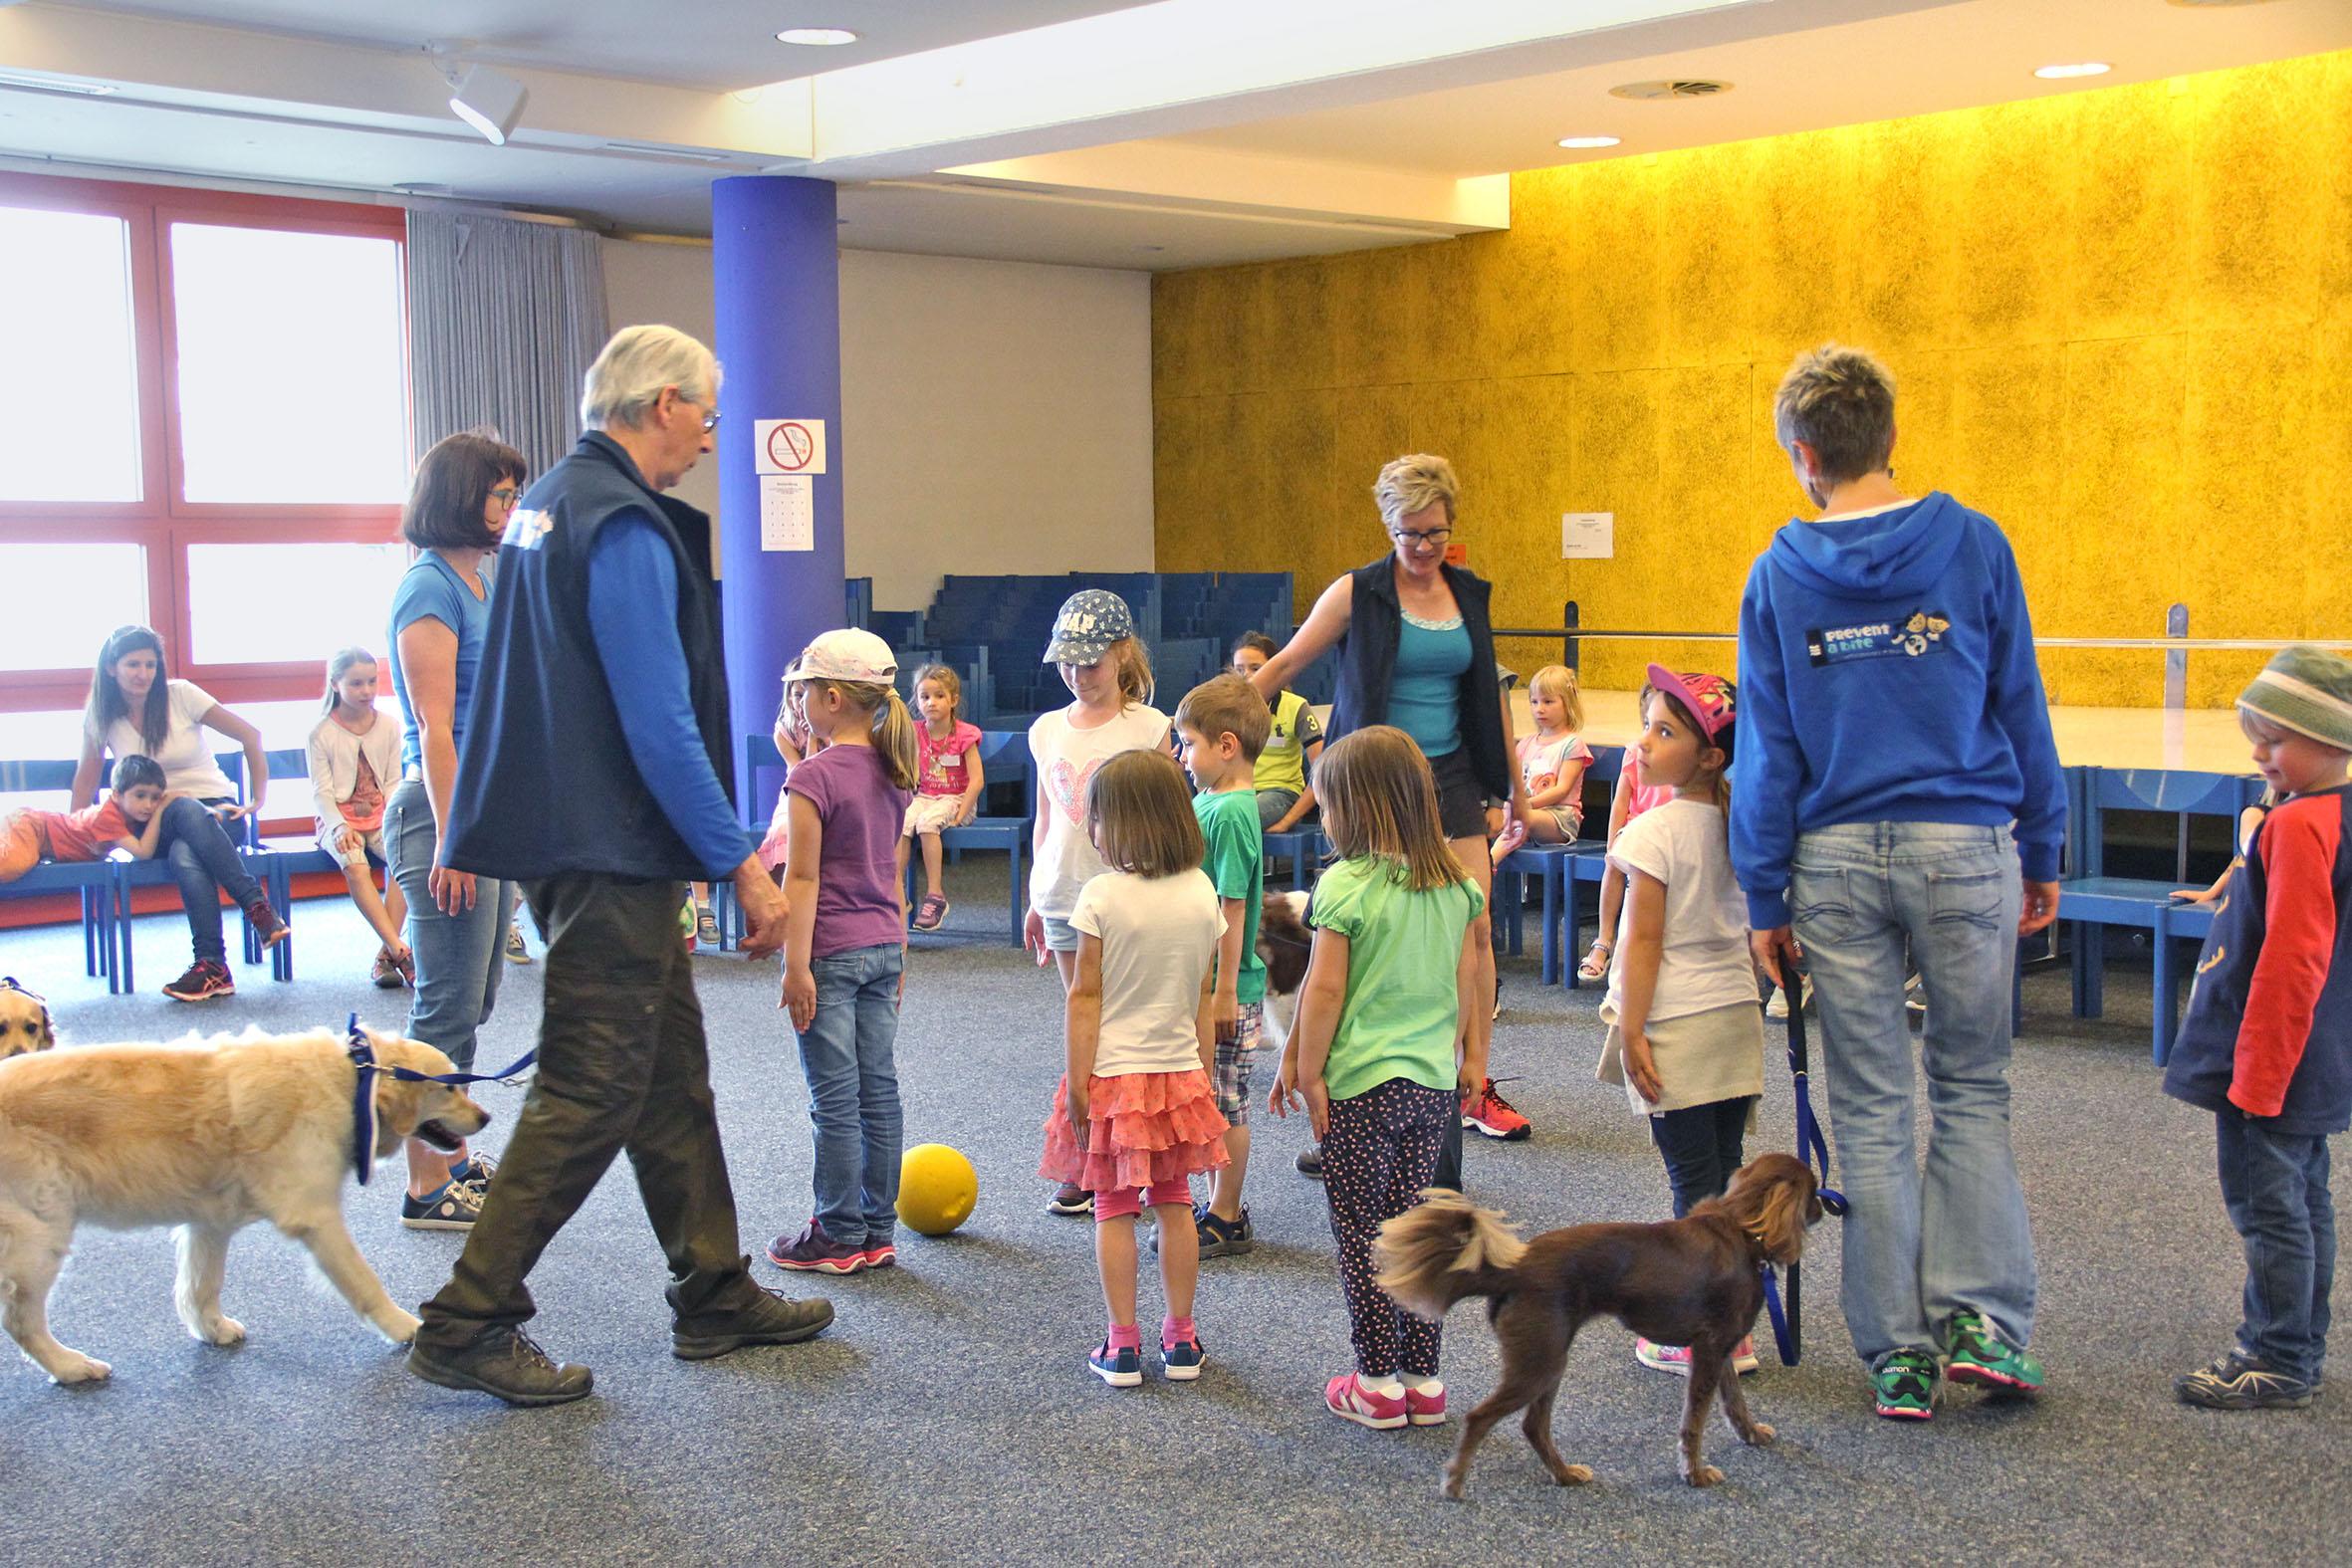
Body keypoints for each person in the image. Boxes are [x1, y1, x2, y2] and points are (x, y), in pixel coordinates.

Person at [406, 325, 829, 1407]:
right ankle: (468, 1319)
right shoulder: (624, 524)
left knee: (668, 1077)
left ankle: (715, 1288)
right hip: (602, 850)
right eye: (705, 413)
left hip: (566, 838)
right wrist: (740, 863)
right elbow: (659, 722)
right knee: (590, 1083)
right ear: (661, 403)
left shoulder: (550, 500)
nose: (710, 434)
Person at [1734, 343, 2065, 1422]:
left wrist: (1763, 897)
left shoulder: (1779, 573)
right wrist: (2045, 844)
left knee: (1871, 1109)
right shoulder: (1972, 544)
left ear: (1802, 454)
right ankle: (1983, 1322)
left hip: (1830, 857)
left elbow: (1768, 748)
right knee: (1973, 1090)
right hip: (1965, 843)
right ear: (1889, 439)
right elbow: (2020, 700)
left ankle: (1899, 1357)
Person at [1245, 455, 1532, 1153]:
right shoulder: (1358, 592)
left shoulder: (1468, 593)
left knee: (1475, 927)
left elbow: (1491, 697)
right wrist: (1199, 730)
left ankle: (1475, 1078)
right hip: (1375, 782)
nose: (1424, 548)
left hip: (1454, 773)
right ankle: (1348, 1080)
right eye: (1410, 534)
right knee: (1363, 928)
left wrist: (1518, 791)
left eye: (1436, 533)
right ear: (1388, 526)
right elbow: (1283, 666)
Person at [1269, 726, 1484, 1430]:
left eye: (1328, 804)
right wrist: (1469, 1058)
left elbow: (1324, 991)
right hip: (1430, 1087)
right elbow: (1465, 980)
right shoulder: (1455, 882)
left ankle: (1375, 1381)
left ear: (1354, 808)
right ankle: (1424, 1377)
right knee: (1417, 1229)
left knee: (1363, 1234)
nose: (1324, 817)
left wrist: (1307, 1069)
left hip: (1360, 1089)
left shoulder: (1345, 883)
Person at [2164, 647, 2352, 1411]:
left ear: (2331, 738)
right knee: (2306, 1201)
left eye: (2274, 739)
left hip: (2270, 1063)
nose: (2257, 753)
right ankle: (2300, 1345)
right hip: (2317, 1055)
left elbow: (2292, 957)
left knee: (2270, 1208)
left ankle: (2273, 1353)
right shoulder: (2326, 811)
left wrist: (2258, 1076)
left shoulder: (2301, 825)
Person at [1038, 749, 1229, 1386]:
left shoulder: (1100, 895)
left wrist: (1078, 1084)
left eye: (1097, 819)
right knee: (1176, 1202)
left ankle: (1121, 1345)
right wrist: (1200, 1071)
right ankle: (1182, 1339)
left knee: (1113, 1207)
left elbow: (1083, 996)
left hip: (1113, 1078)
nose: (1092, 832)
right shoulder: (1202, 892)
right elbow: (1202, 995)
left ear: (1119, 824)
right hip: (1178, 1075)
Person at [1594, 667, 1764, 1378]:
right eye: (1648, 724)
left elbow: (1644, 939)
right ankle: (1736, 1325)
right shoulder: (1739, 822)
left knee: (1693, 1189)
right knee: (1725, 1181)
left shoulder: (1652, 829)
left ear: (1711, 755)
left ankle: (1703, 1331)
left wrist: (1633, 1028)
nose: (1645, 740)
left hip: (1679, 1023)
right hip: (1736, 1019)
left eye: (1665, 731)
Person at [384, 431, 522, 1232]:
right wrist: (453, 837)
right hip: (438, 812)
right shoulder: (428, 587)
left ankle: (454, 1157)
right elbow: (437, 729)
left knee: (478, 998)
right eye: (498, 495)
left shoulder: (482, 580)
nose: (508, 509)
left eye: (511, 495)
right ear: (460, 497)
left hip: (483, 814)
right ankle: (425, 1186)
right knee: (443, 1010)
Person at [767, 629, 920, 1275]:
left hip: (828, 952)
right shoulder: (893, 770)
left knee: (834, 1099)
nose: (796, 703)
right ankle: (876, 1228)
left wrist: (795, 964)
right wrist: (901, 952)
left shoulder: (812, 776)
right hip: (882, 944)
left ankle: (836, 1231)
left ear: (831, 697)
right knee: (877, 1092)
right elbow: (889, 872)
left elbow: (801, 879)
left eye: (801, 692)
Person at [1025, 588, 1173, 1217]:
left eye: (1091, 662)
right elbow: (1045, 818)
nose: (1079, 675)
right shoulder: (1047, 729)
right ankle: (1090, 1159)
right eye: (1068, 663)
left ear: (1121, 654)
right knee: (1086, 1023)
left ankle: (1139, 1153)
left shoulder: (1150, 727)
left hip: (1132, 899)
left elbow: (1170, 816)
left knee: (1128, 1027)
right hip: (1064, 893)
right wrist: (1035, 895)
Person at [71, 624, 286, 1002]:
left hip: (217, 814)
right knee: (180, 805)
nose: (143, 674)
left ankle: (212, 966)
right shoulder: (103, 716)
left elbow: (250, 736)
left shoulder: (182, 695)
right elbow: (85, 782)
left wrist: (258, 800)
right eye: (133, 664)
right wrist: (75, 835)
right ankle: (256, 906)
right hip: (153, 822)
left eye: (151, 665)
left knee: (187, 849)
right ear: (111, 668)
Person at [1172, 673, 1270, 1258]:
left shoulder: (1230, 812)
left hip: (1225, 986)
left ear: (1226, 746)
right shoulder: (1211, 800)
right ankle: (1213, 1201)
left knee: (1226, 1100)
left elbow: (1230, 904)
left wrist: (1224, 990)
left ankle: (1227, 1213)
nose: (1183, 758)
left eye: (1190, 745)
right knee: (1204, 1096)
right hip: (1198, 981)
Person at [306, 647, 410, 989]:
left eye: (371, 682)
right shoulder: (321, 733)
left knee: (406, 859)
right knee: (355, 865)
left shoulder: (390, 726)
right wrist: (338, 826)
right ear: (335, 684)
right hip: (338, 819)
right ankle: (399, 950)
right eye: (356, 684)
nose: (366, 691)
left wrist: (394, 820)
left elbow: (394, 781)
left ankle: (385, 957)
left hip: (381, 817)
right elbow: (321, 793)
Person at [1578, 690, 1674, 984]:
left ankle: (1656, 948)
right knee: (1616, 862)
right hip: (1636, 827)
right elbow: (1621, 800)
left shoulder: (1679, 754)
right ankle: (1603, 941)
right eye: (1647, 722)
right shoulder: (1635, 751)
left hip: (1668, 832)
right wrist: (1612, 843)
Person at [900, 663, 984, 933]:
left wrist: (961, 814)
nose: (931, 703)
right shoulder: (915, 732)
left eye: (939, 696)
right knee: (904, 821)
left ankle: (935, 896)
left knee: (927, 823)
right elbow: (909, 771)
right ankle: (894, 890)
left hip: (957, 798)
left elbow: (977, 780)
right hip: (926, 796)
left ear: (953, 700)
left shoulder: (964, 734)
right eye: (924, 697)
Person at [3, 756, 177, 882]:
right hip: (33, 827)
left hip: (39, 836)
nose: (148, 805)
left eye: (155, 798)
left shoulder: (129, 814)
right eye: (140, 796)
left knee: (20, 862)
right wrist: (161, 808)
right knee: (13, 866)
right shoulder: (108, 817)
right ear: (117, 795)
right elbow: (143, 852)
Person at [1232, 632, 1322, 833]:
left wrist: (1287, 821)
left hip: (1280, 793)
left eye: (1255, 668)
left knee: (1234, 817)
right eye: (1239, 669)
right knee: (1198, 817)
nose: (1246, 675)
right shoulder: (1228, 709)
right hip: (1237, 794)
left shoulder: (1296, 708)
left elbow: (1322, 771)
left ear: (1275, 670)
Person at [1505, 663, 1593, 852]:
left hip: (1559, 817)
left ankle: (1492, 862)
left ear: (1568, 703)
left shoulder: (1572, 744)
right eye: (1534, 702)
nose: (1540, 709)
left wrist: (1525, 805)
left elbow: (1561, 790)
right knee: (1498, 816)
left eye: (1548, 702)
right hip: (1527, 812)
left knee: (1522, 817)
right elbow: (1516, 784)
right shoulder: (1525, 744)